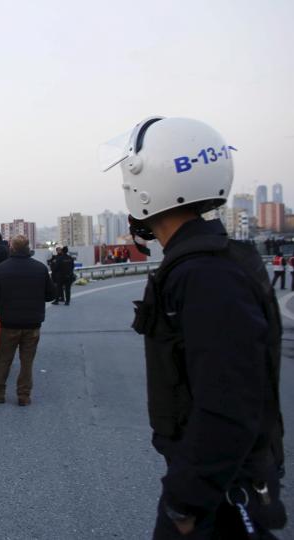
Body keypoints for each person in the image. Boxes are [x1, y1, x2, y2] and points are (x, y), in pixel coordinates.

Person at [103, 116, 286, 538]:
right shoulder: (216, 261)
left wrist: (186, 500)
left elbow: (229, 400)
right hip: (222, 479)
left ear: (144, 183)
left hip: (217, 489)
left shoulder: (203, 275)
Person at [0, 236, 55, 406]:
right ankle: (24, 396)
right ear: (28, 248)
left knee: (3, 359)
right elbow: (51, 294)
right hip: (33, 324)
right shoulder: (40, 268)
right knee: (27, 361)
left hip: (9, 323)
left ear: (11, 248)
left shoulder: (2, 268)